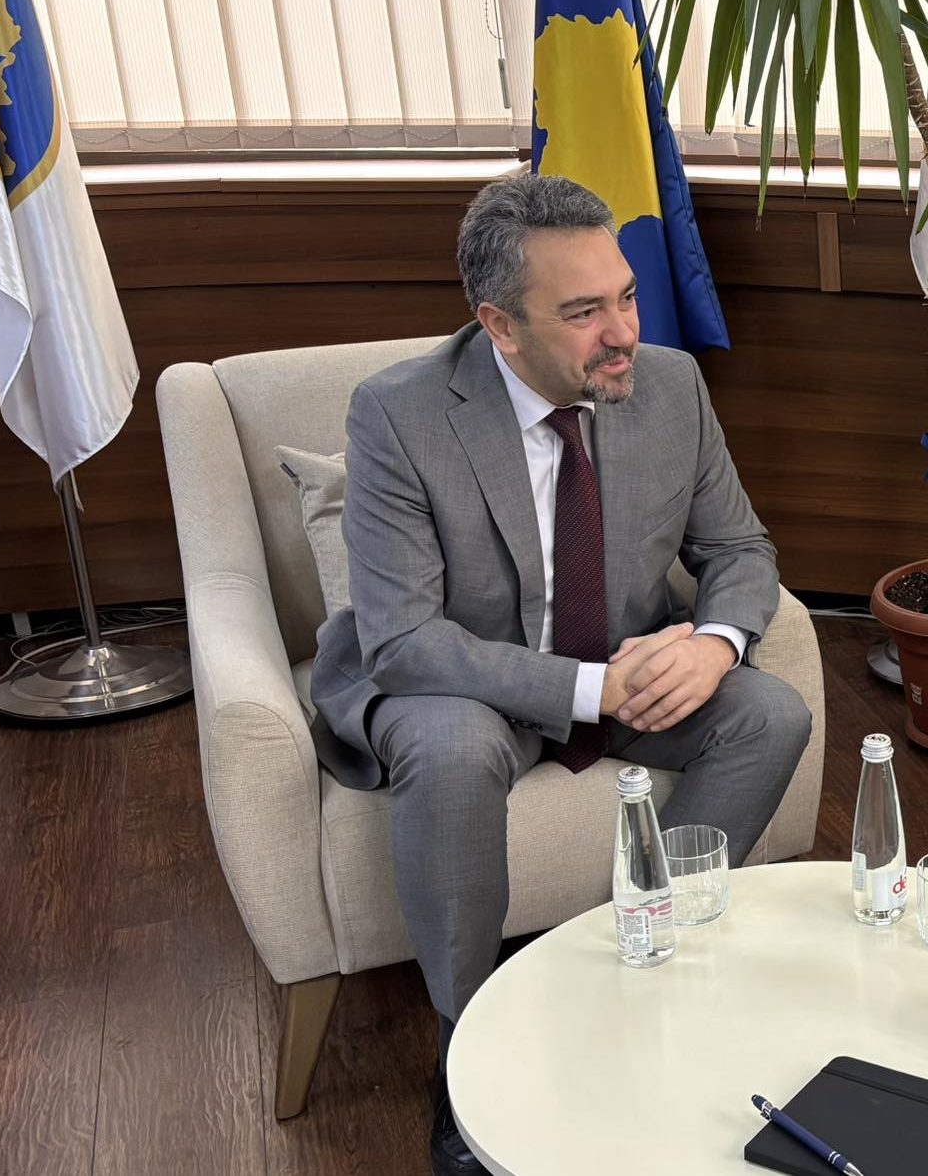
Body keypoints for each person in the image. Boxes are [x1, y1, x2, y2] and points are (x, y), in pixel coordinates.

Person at [308, 173, 810, 1176]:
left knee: (769, 714)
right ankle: (464, 1047)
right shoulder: (399, 414)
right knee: (451, 750)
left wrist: (712, 644)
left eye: (626, 296)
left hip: (618, 655)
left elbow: (738, 548)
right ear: (499, 324)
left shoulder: (670, 385)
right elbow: (403, 640)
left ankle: (634, 961)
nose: (622, 333)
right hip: (463, 682)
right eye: (584, 312)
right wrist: (590, 691)